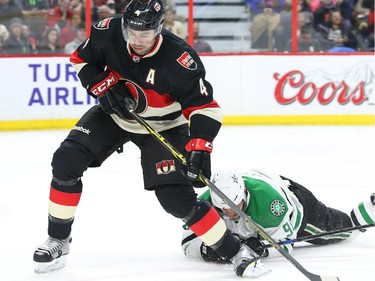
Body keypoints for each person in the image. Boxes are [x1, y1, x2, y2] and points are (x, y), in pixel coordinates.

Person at [32, 0, 265, 278]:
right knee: (66, 161)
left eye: (145, 33)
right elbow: (81, 59)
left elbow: (205, 107)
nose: (137, 40)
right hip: (116, 114)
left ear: (160, 28)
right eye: (132, 32)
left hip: (165, 126)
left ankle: (236, 251)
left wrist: (200, 147)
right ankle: (58, 240)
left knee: (176, 200)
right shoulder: (108, 31)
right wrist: (103, 85)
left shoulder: (180, 59)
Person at [181, 169, 374, 268]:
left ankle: (372, 207)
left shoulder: (272, 206)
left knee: (346, 230)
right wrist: (209, 251)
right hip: (267, 191)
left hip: (297, 208)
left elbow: (286, 245)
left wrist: (262, 250)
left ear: (244, 193)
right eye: (222, 208)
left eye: (234, 206)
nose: (229, 213)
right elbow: (187, 243)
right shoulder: (204, 204)